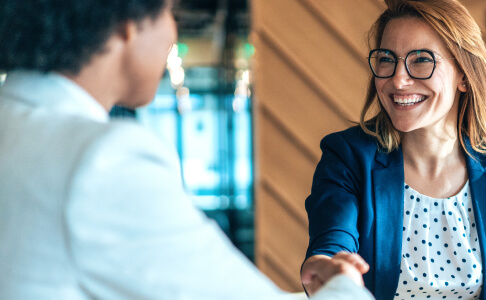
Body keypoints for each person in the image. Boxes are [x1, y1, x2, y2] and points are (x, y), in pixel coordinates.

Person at [0, 0, 372, 299]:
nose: (172, 33)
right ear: (126, 24)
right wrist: (344, 285)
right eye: (169, 12)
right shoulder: (101, 161)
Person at [300, 0, 486, 299]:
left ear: (464, 75)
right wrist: (330, 270)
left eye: (422, 60)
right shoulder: (347, 156)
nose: (398, 80)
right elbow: (330, 246)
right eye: (387, 59)